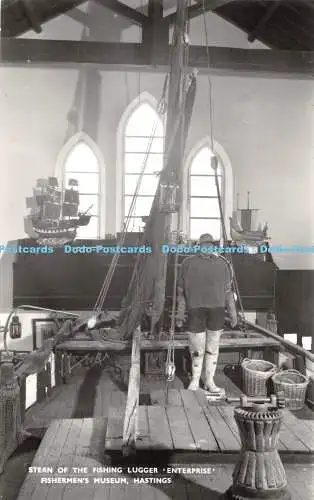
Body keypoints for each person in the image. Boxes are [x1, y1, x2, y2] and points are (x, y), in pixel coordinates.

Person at [176, 233, 237, 393]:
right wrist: (180, 313)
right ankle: (195, 380)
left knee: (212, 347)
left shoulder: (223, 264)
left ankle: (210, 381)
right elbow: (181, 292)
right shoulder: (187, 263)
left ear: (214, 247)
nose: (207, 248)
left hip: (217, 310)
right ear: (198, 246)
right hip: (195, 310)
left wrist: (232, 313)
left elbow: (229, 291)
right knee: (197, 348)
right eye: (204, 245)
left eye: (210, 245)